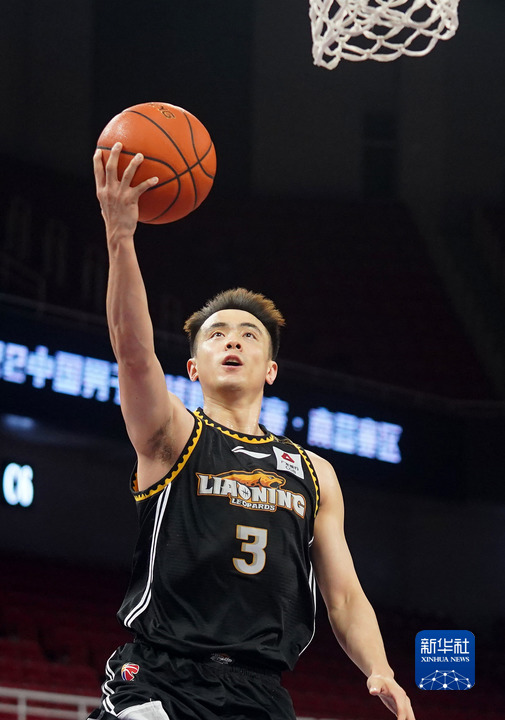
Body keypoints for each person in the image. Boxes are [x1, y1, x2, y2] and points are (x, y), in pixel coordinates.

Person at [90, 142, 415, 720]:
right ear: (193, 368)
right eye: (215, 335)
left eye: (248, 334)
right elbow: (135, 355)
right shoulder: (173, 435)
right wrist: (121, 237)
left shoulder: (313, 473)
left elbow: (343, 595)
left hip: (260, 691)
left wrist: (379, 667)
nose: (232, 340)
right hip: (162, 676)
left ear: (271, 369)